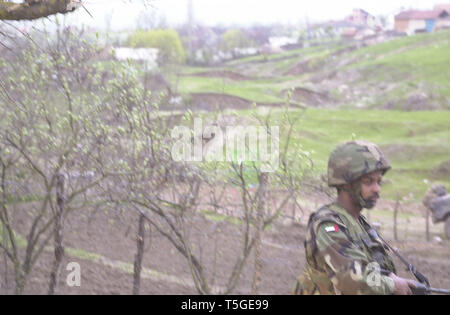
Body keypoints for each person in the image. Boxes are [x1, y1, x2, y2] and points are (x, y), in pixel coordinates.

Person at [293, 140, 416, 295]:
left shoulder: (358, 222)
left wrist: (391, 277)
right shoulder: (329, 225)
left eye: (379, 181)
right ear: (347, 184)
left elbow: (372, 267)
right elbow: (351, 279)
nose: (377, 189)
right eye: (368, 182)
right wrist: (392, 285)